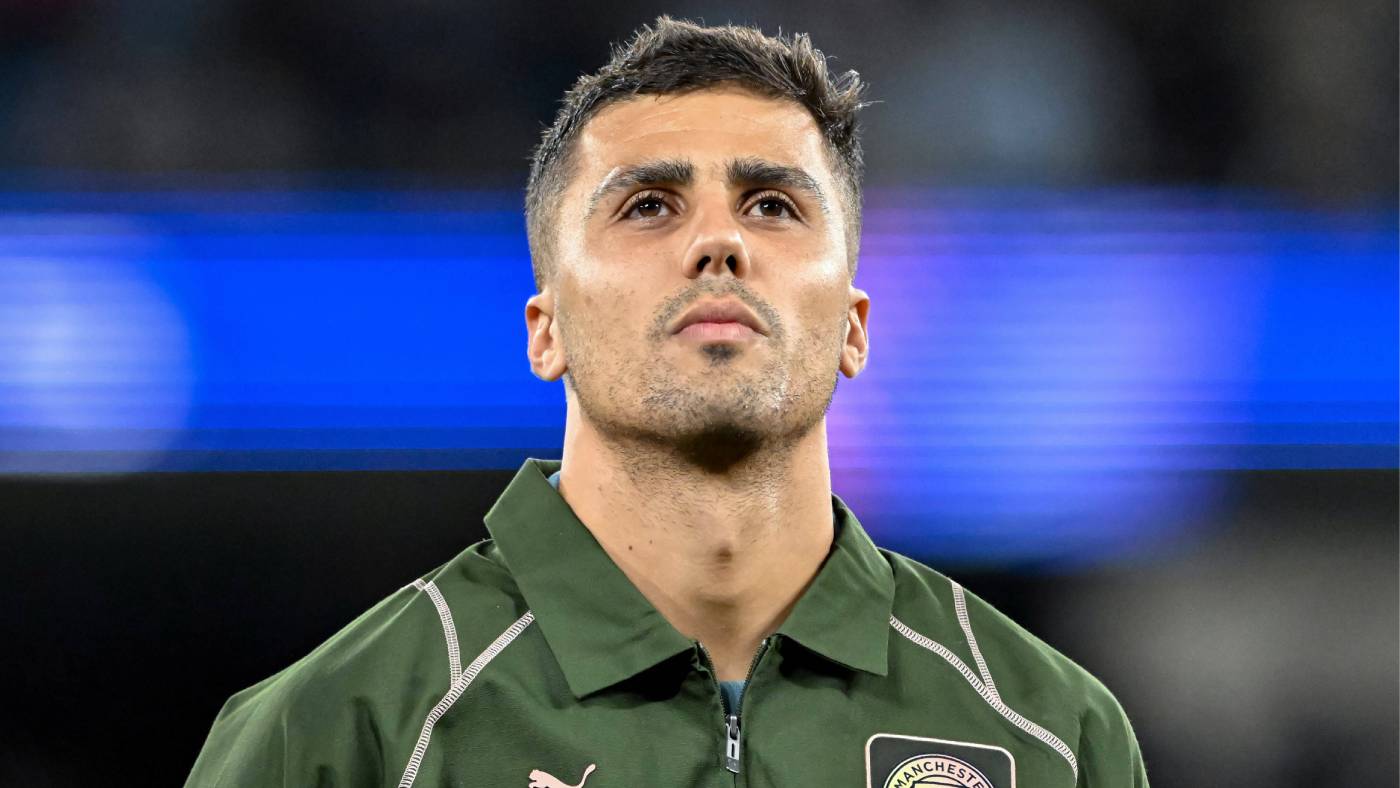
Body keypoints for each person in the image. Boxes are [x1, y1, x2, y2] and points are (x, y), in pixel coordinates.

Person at [185, 16, 1148, 787]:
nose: (718, 243)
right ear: (546, 330)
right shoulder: (343, 730)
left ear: (855, 327)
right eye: (649, 205)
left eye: (772, 205)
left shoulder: (1050, 736)